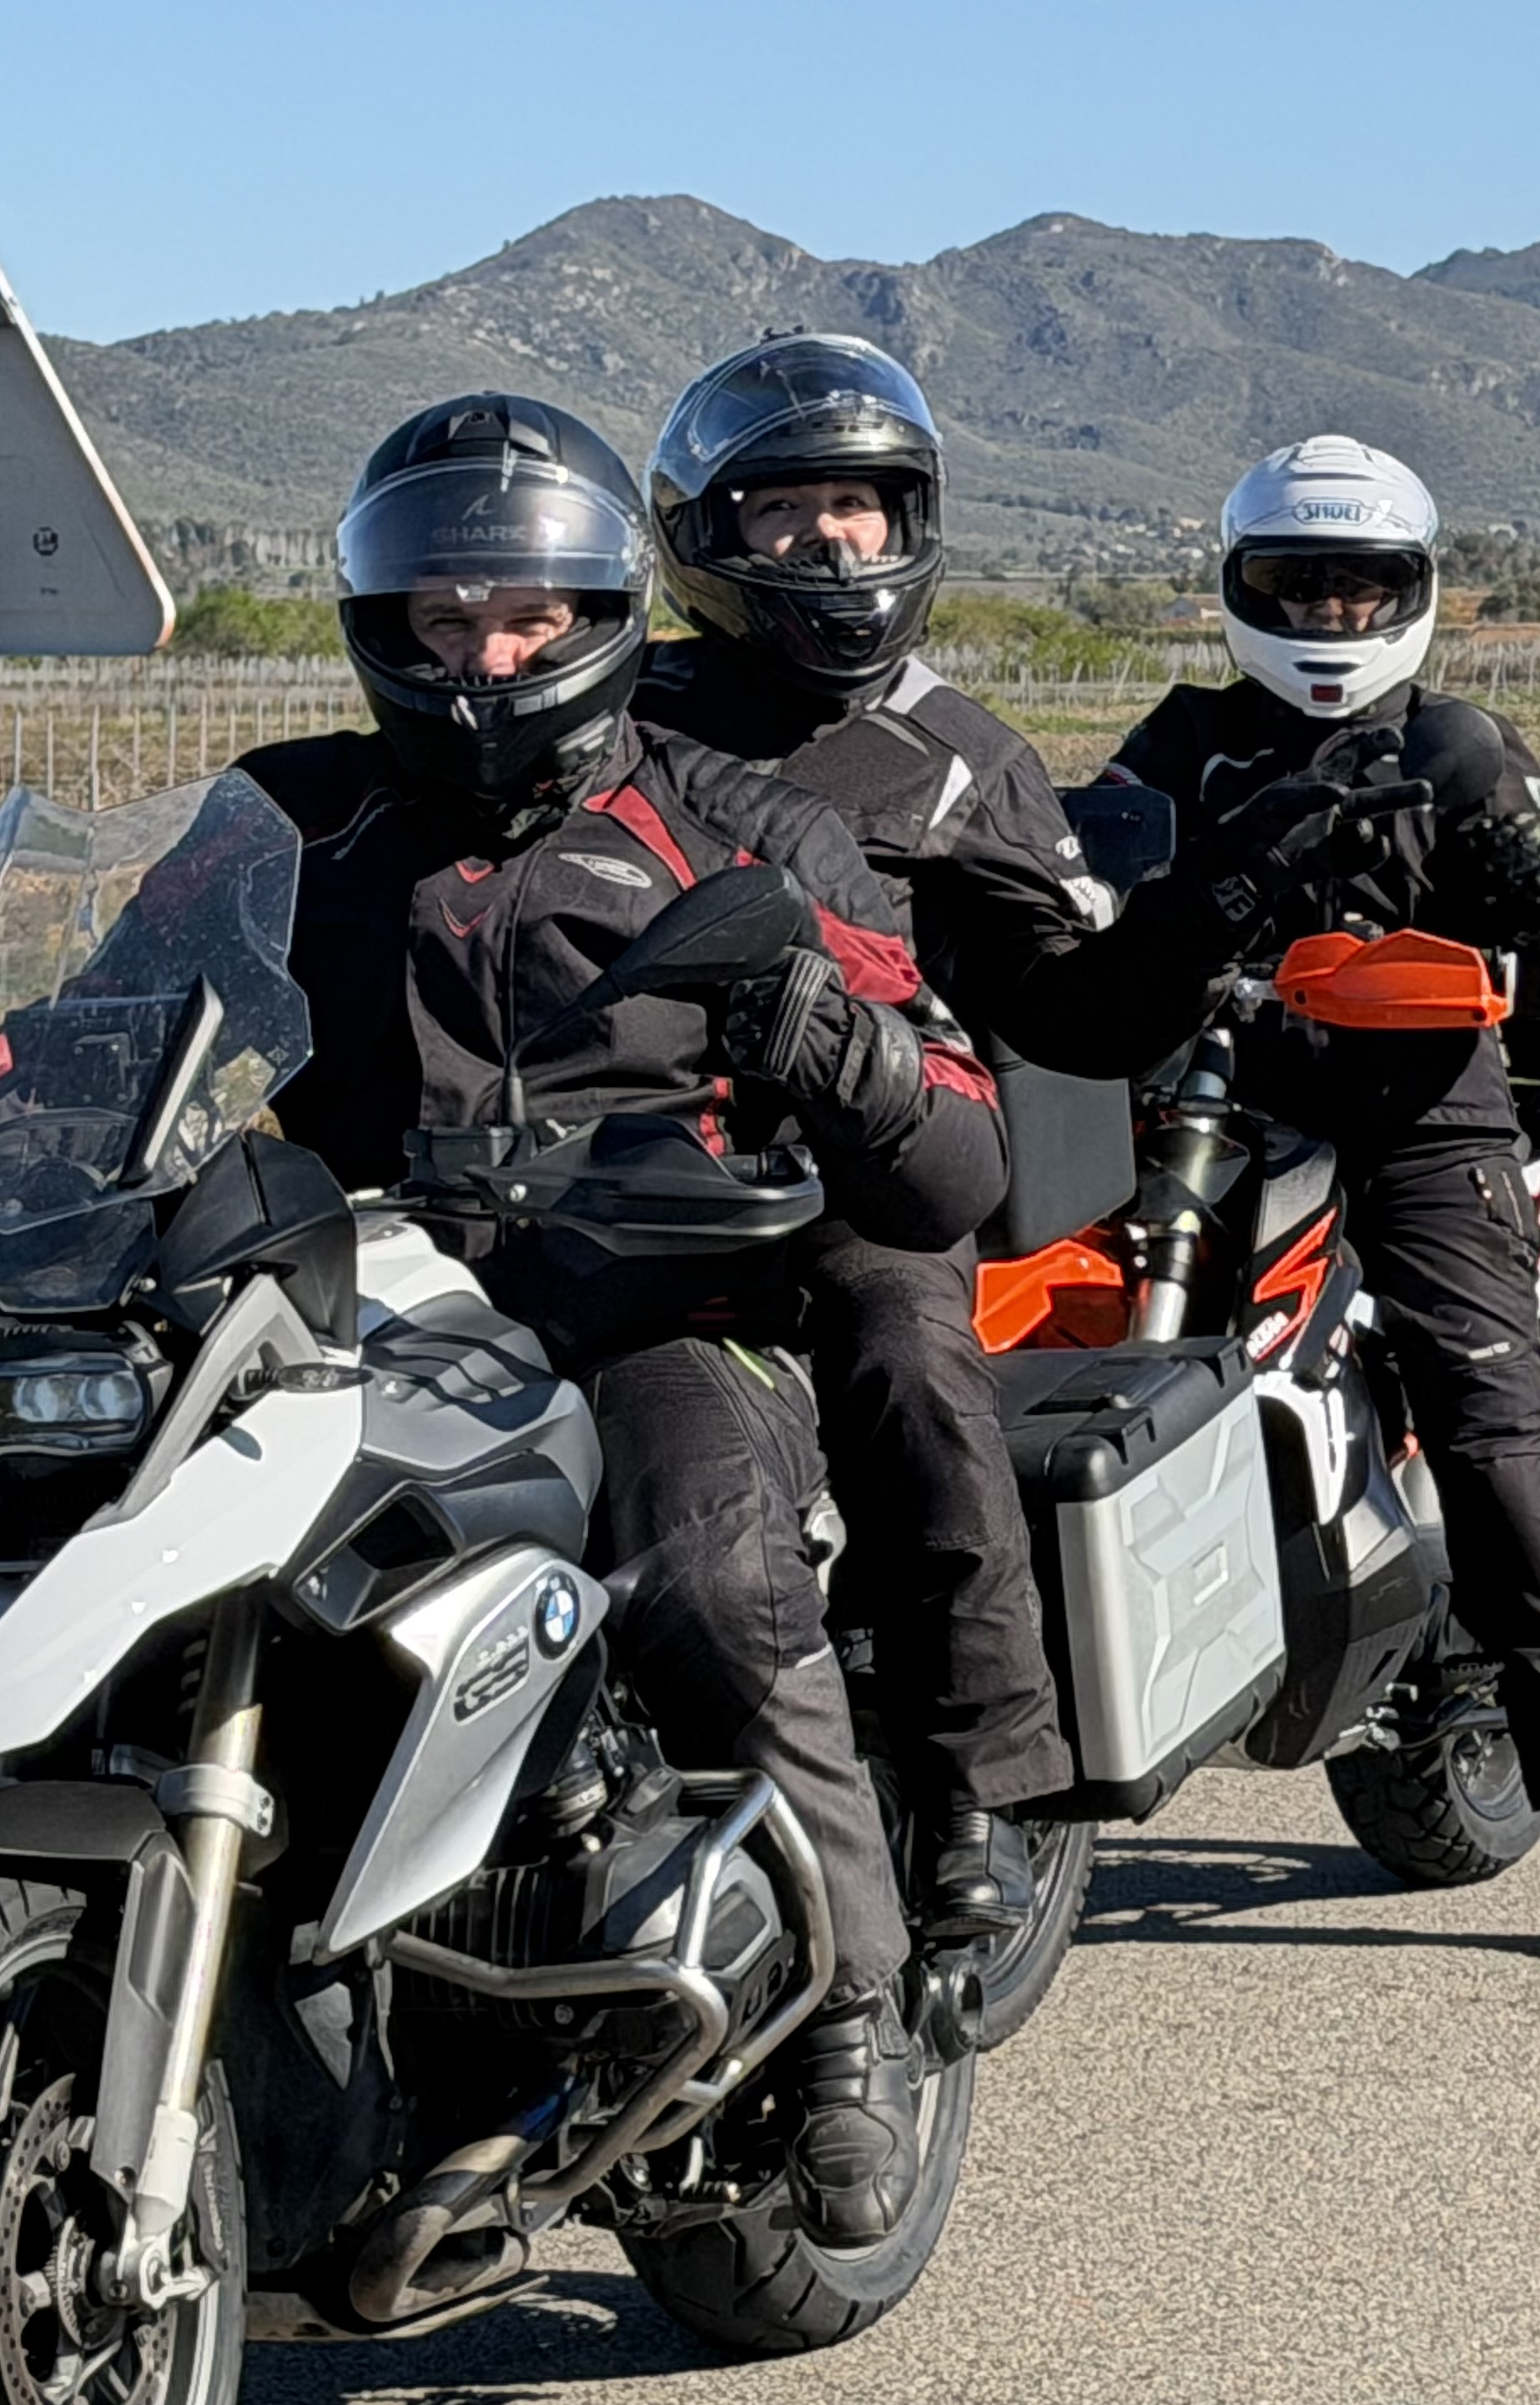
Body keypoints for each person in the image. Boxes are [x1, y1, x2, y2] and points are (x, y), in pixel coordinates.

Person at [234, 392, 1010, 2246]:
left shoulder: (737, 822)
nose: (483, 658)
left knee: (709, 1563)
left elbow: (961, 1147)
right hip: (354, 1313)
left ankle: (850, 2015)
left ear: (601, 617)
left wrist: (830, 1039)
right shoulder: (291, 820)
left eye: (526, 619)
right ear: (381, 623)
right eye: (442, 620)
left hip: (657, 1304)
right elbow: (99, 1023)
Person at [1083, 435, 1540, 1964]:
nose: (1330, 615)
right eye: (1299, 585)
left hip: (1425, 1117)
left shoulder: (1463, 745)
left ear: (1410, 593)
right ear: (1244, 589)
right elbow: (1092, 891)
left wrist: (1539, 894)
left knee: (1489, 1426)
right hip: (1208, 1101)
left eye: (1360, 587)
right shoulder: (1188, 743)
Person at [637, 334, 1099, 1940]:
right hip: (631, 1150)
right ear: (707, 536)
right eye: (786, 509)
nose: (831, 542)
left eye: (861, 505)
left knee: (910, 1350)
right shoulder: (626, 712)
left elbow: (1066, 980)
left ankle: (981, 1782)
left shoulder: (964, 753)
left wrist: (1152, 957)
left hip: (865, 1160)